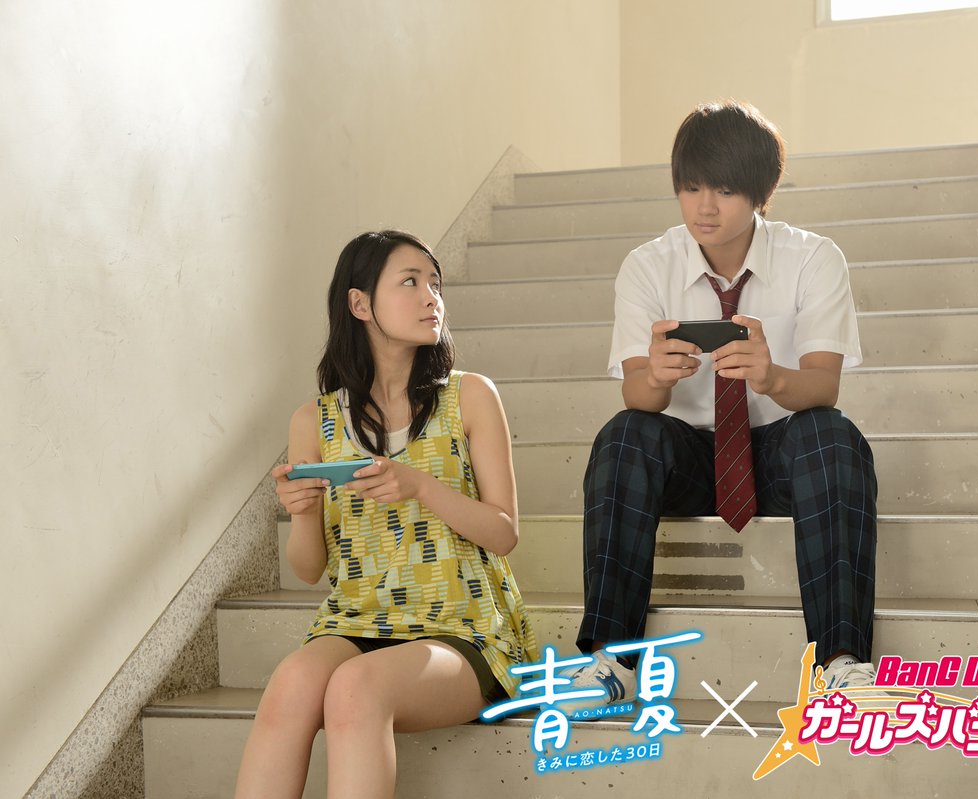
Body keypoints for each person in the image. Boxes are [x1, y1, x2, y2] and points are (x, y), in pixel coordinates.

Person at [567, 101, 879, 711]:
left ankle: (841, 664)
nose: (704, 207)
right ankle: (609, 662)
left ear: (761, 193)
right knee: (625, 432)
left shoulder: (813, 258)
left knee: (832, 434)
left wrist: (771, 377)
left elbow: (823, 385)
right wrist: (657, 378)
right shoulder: (647, 266)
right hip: (685, 458)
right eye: (691, 188)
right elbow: (636, 393)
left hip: (782, 454)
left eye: (725, 190)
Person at [235, 230, 537, 798]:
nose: (431, 298)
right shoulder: (314, 422)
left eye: (435, 284)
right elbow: (308, 569)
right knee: (292, 682)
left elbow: (503, 534)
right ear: (359, 304)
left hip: (464, 630)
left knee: (356, 688)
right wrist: (303, 512)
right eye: (410, 282)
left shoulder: (470, 397)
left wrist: (420, 486)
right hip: (357, 620)